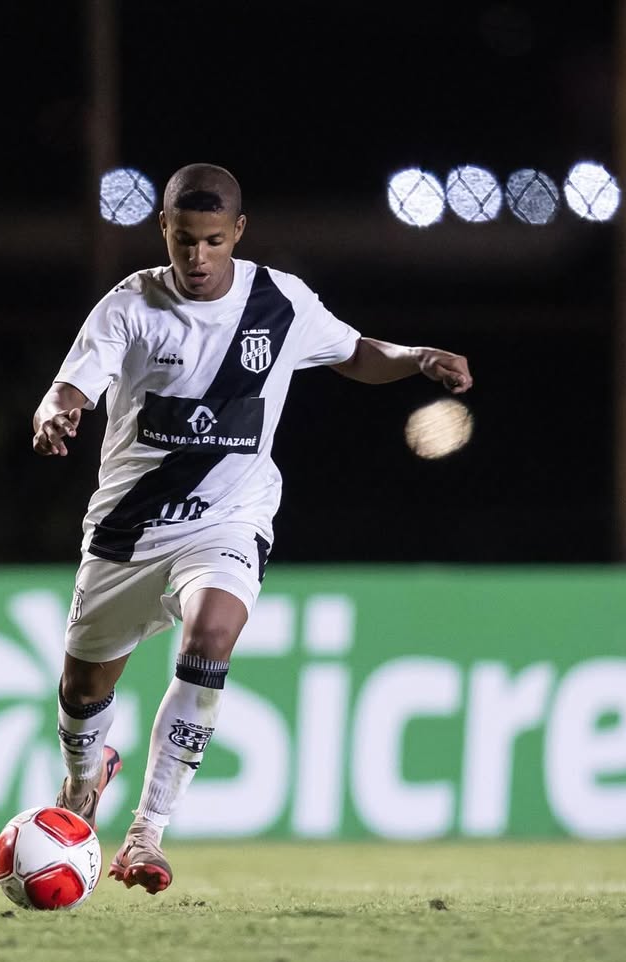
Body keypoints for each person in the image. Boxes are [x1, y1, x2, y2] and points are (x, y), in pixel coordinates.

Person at [32, 163, 472, 895]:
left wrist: (417, 356)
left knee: (210, 639)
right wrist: (57, 410)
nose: (197, 258)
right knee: (83, 692)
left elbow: (355, 352)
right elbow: (74, 380)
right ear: (163, 232)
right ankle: (85, 782)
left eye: (211, 240)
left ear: (237, 232)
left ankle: (146, 833)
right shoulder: (132, 304)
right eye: (182, 241)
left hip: (229, 519)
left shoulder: (280, 302)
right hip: (128, 530)